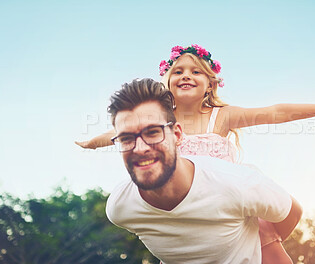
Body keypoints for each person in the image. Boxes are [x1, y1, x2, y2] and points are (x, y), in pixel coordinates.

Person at [76, 45, 315, 264]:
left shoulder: (222, 117)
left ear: (210, 83)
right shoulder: (156, 124)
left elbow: (275, 111)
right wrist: (92, 143)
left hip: (229, 206)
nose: (186, 74)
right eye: (178, 71)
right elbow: (120, 133)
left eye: (196, 71)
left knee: (266, 240)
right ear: (168, 82)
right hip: (186, 213)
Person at [105, 78, 302, 264]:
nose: (140, 148)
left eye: (153, 132)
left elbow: (291, 213)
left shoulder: (237, 183)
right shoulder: (120, 207)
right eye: (126, 138)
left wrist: (261, 244)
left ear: (177, 135)